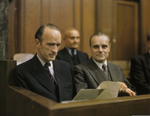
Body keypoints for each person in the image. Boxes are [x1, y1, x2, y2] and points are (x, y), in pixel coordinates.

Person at [13, 23, 74, 102]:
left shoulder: (67, 67)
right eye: (50, 44)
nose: (55, 50)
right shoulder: (21, 72)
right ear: (38, 43)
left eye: (58, 45)